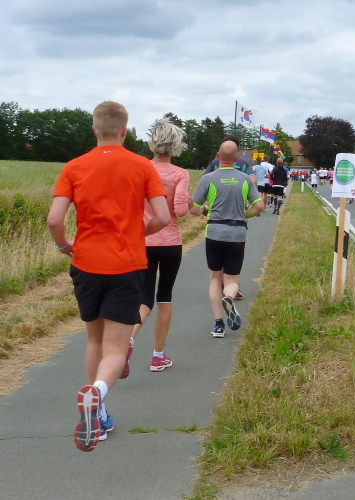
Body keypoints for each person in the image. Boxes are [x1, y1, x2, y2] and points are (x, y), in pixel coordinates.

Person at [47, 101, 170, 451]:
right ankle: (97, 394)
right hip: (126, 264)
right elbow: (162, 217)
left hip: (86, 263)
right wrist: (137, 233)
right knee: (117, 347)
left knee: (94, 341)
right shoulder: (143, 166)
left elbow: (54, 219)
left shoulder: (74, 167)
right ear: (124, 131)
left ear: (94, 130)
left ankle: (97, 417)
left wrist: (64, 246)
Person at [125, 118, 191, 376]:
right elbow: (180, 210)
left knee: (144, 298)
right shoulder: (180, 174)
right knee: (165, 297)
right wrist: (192, 203)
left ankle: (129, 338)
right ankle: (158, 356)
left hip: (144, 240)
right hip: (170, 241)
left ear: (152, 143)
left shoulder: (139, 169)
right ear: (175, 145)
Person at [190, 141, 264, 338]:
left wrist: (204, 209)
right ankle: (229, 297)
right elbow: (259, 206)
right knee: (231, 280)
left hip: (214, 232)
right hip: (237, 233)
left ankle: (218, 325)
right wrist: (243, 214)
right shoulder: (245, 179)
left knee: (215, 278)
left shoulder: (208, 178)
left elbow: (193, 209)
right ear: (237, 157)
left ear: (217, 156)